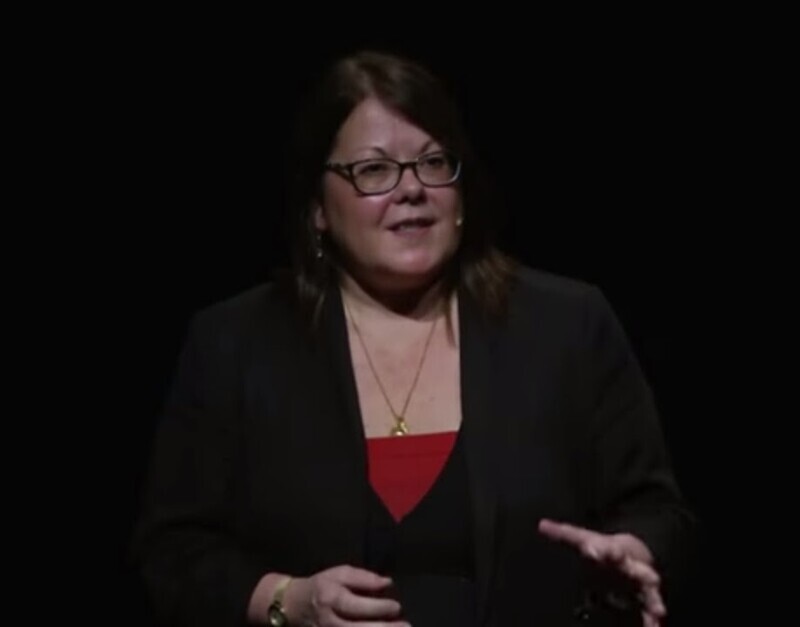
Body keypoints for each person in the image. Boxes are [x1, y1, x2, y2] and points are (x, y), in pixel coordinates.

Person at [131, 48, 696, 627]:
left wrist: (634, 551)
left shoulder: (568, 326)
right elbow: (173, 552)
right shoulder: (235, 344)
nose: (411, 189)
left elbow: (657, 511)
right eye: (374, 170)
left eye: (433, 162)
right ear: (318, 208)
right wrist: (287, 600)